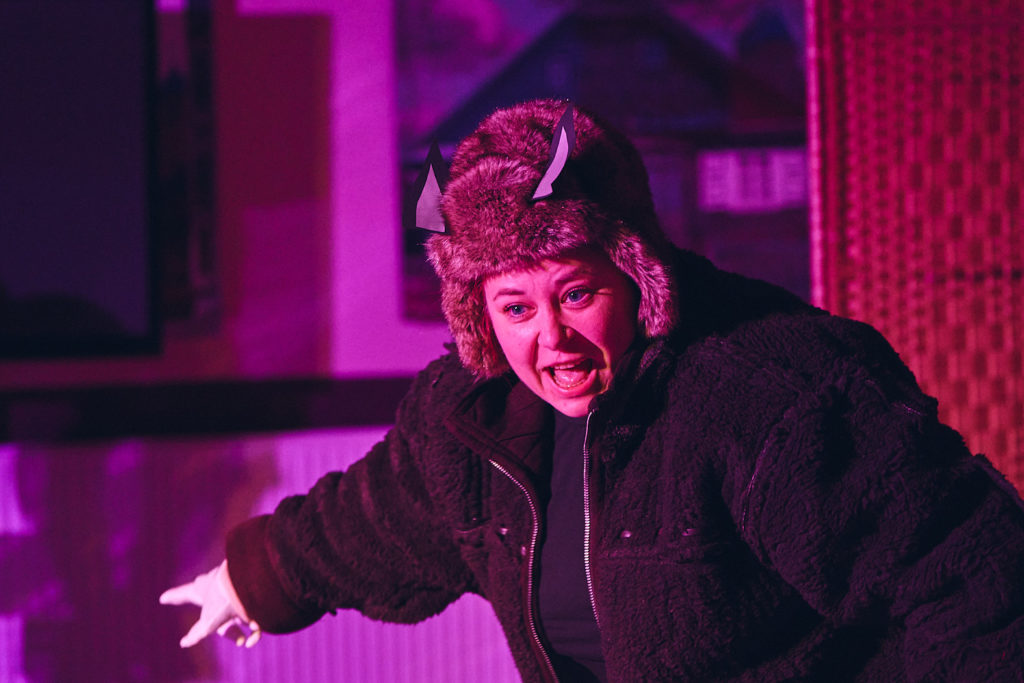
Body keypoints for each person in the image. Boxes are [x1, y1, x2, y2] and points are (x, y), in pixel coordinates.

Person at [160, 99, 1024, 681]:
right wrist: (253, 579)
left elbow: (972, 577)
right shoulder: (467, 420)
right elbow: (377, 516)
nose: (552, 337)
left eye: (576, 293)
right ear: (478, 314)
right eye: (515, 307)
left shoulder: (772, 394)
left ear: (635, 273)